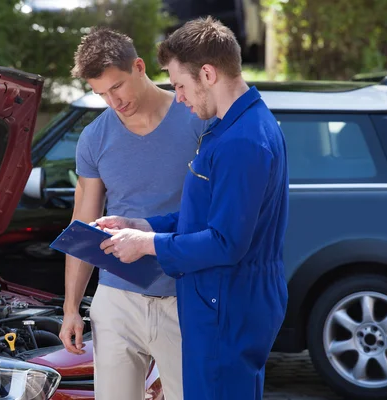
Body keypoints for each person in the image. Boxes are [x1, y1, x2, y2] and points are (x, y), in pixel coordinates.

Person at [95, 17, 289, 400]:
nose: (179, 97)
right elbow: (205, 215)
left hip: (226, 307)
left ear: (208, 73)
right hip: (222, 303)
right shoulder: (230, 128)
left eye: (180, 85)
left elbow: (225, 242)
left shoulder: (242, 142)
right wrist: (143, 225)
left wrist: (147, 245)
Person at [57, 27, 214, 400]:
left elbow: (215, 215)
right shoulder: (95, 138)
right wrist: (71, 309)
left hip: (184, 297)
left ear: (139, 67)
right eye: (101, 94)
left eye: (118, 87)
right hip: (117, 300)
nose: (113, 101)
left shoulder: (196, 118)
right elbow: (82, 227)